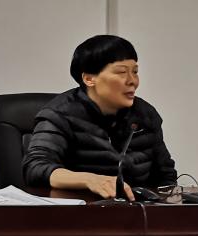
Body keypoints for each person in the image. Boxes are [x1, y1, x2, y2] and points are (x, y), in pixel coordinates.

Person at [22, 35, 176, 199]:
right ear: (89, 79)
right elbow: (35, 168)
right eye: (122, 72)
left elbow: (166, 176)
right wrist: (90, 180)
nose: (133, 81)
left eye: (135, 72)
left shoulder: (145, 114)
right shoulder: (60, 114)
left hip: (136, 209)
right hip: (79, 209)